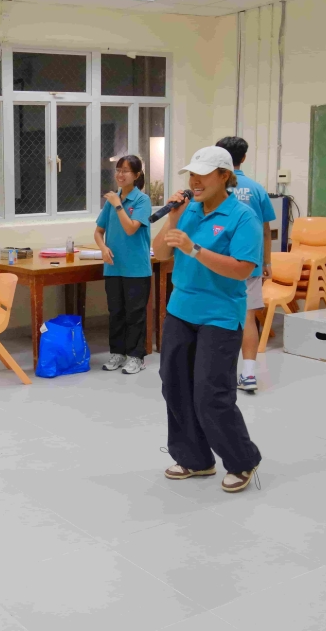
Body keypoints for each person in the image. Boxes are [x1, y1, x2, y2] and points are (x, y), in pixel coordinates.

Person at [152, 146, 263, 493]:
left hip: (220, 315)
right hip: (181, 310)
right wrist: (173, 218)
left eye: (203, 175)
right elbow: (160, 252)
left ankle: (242, 460)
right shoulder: (187, 210)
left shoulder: (242, 217)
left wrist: (194, 249)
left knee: (210, 393)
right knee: (174, 385)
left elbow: (242, 269)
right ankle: (195, 459)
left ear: (224, 176)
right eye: (192, 175)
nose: (195, 181)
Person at [215, 137, 276, 393]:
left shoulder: (215, 187)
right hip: (250, 263)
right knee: (248, 316)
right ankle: (249, 373)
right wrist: (267, 261)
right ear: (244, 158)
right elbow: (266, 230)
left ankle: (217, 372)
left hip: (217, 264)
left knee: (217, 316)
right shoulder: (257, 189)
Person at [94, 155, 153, 375]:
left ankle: (136, 357)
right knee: (116, 312)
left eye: (125, 171)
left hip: (136, 268)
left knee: (135, 314)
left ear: (136, 175)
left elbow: (130, 229)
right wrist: (103, 248)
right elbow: (98, 231)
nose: (120, 174)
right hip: (113, 267)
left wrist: (118, 205)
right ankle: (117, 353)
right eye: (118, 170)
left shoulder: (142, 201)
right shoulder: (113, 201)